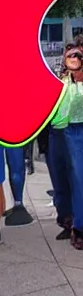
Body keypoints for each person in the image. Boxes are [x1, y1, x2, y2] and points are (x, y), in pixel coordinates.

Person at [47, 45, 83, 248]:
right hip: (56, 133)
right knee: (59, 179)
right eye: (70, 55)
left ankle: (79, 228)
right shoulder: (60, 80)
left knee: (78, 180)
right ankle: (66, 220)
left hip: (77, 131)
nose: (74, 58)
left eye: (78, 55)